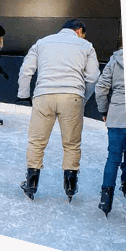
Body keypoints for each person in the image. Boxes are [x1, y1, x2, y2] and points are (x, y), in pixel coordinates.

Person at [17, 18, 100, 201]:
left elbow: (26, 70)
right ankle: (70, 186)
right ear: (79, 31)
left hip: (44, 94)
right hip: (72, 96)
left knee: (36, 142)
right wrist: (82, 98)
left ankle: (31, 183)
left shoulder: (42, 42)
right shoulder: (86, 46)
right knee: (71, 144)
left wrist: (24, 94)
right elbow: (93, 77)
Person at [94, 33, 126, 215]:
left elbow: (101, 87)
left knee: (113, 158)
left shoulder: (115, 61)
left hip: (116, 116)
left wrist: (104, 111)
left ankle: (106, 200)